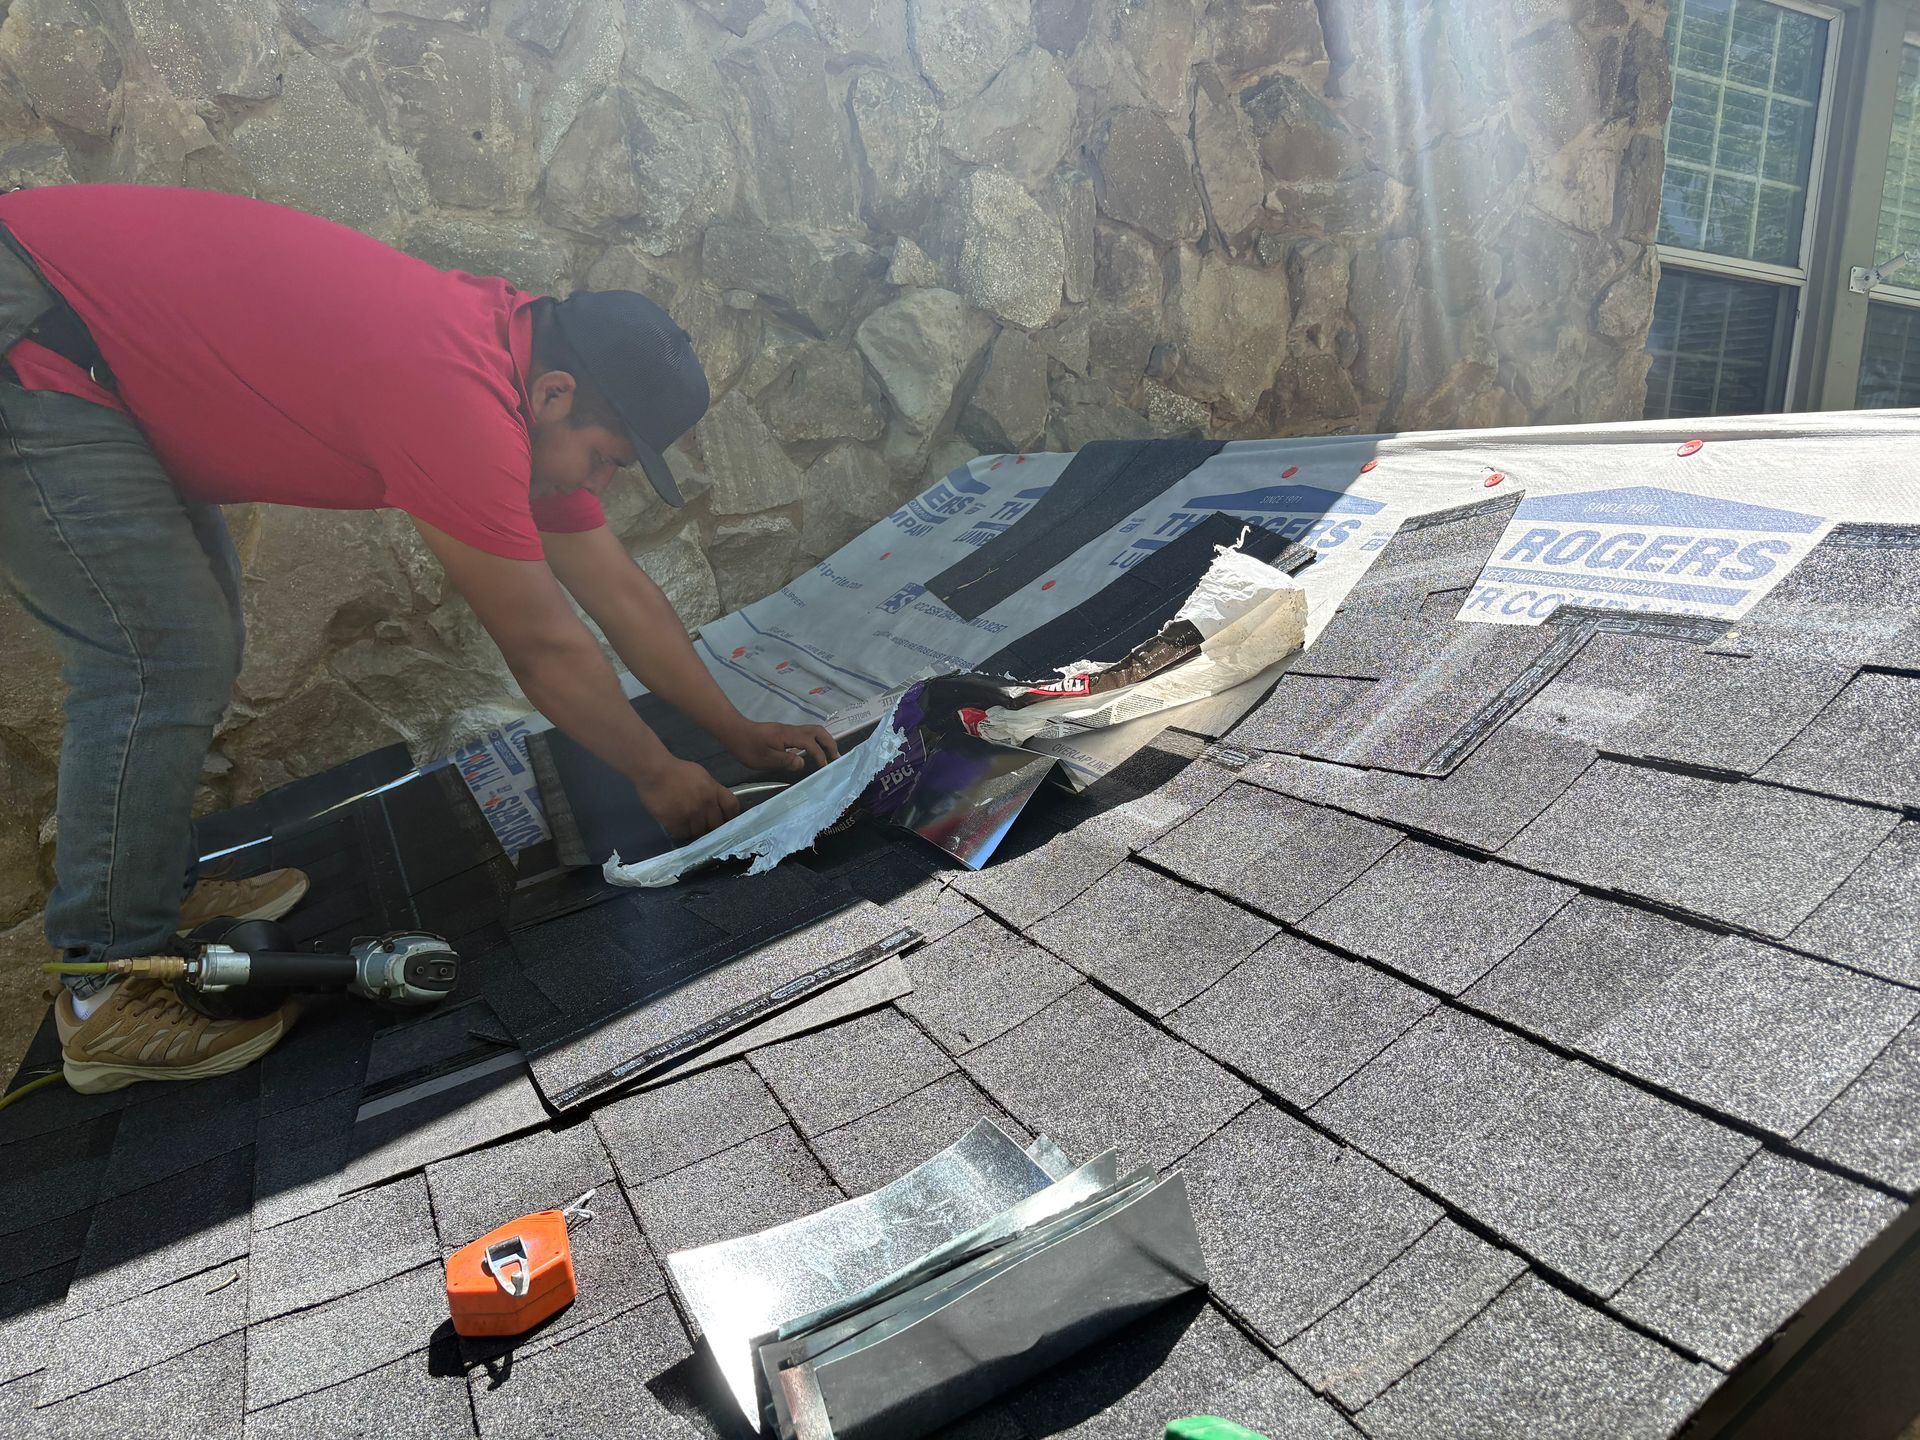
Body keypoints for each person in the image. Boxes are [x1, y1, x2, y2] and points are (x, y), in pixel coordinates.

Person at [0, 184, 837, 1095]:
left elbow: (617, 589)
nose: (600, 481)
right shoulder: (458, 396)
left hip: (93, 352)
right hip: (32, 336)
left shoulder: (517, 371)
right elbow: (543, 643)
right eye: (605, 458)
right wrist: (656, 774)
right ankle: (104, 988)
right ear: (555, 395)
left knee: (197, 630)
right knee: (160, 653)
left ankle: (147, 887)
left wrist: (735, 729)